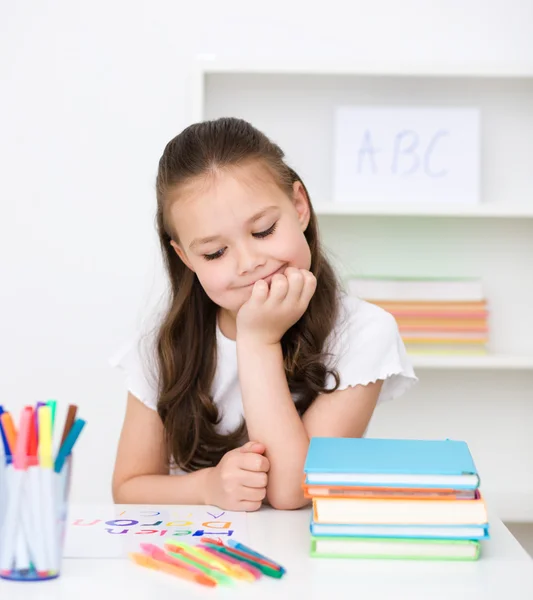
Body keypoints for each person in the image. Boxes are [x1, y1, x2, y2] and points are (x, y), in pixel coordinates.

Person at [111, 117, 417, 511]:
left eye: (264, 230)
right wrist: (207, 486)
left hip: (304, 560)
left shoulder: (363, 332)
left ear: (299, 207)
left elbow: (293, 491)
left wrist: (258, 341)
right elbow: (128, 486)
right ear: (186, 257)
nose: (250, 262)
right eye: (215, 253)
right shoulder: (165, 344)